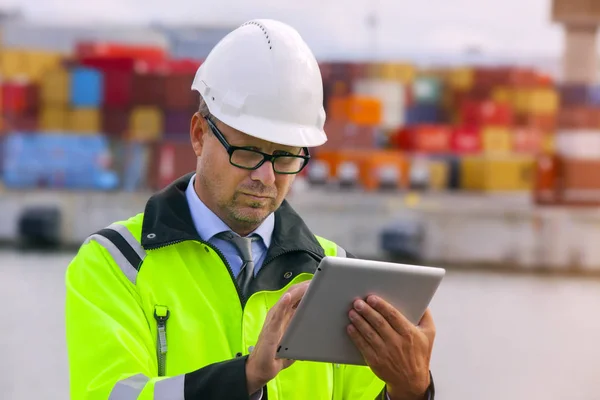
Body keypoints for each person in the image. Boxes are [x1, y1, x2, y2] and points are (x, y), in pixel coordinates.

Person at [65, 19, 437, 400]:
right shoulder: (116, 264)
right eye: (248, 151)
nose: (265, 177)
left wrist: (409, 388)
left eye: (286, 157)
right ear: (198, 134)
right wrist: (242, 379)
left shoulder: (336, 273)